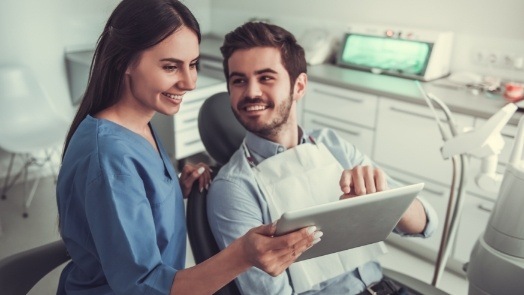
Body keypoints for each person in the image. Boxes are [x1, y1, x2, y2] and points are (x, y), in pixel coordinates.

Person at [55, 1, 320, 294]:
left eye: (192, 64)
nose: (189, 82)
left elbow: (128, 200)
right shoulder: (109, 158)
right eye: (171, 67)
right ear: (125, 61)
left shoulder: (138, 125)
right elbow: (144, 288)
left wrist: (168, 190)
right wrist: (242, 255)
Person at [207, 22, 439, 295]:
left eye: (266, 77)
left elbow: (426, 223)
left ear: (299, 86)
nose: (251, 92)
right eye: (239, 80)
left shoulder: (331, 144)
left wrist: (383, 195)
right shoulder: (234, 187)